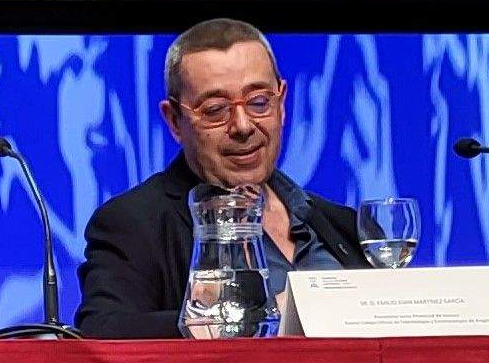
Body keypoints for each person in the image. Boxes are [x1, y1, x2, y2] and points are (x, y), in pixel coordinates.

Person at [72, 17, 369, 339]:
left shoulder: (341, 224)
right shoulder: (134, 223)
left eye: (258, 103)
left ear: (281, 103)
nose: (242, 126)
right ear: (175, 121)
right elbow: (102, 331)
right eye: (215, 110)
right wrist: (237, 320)